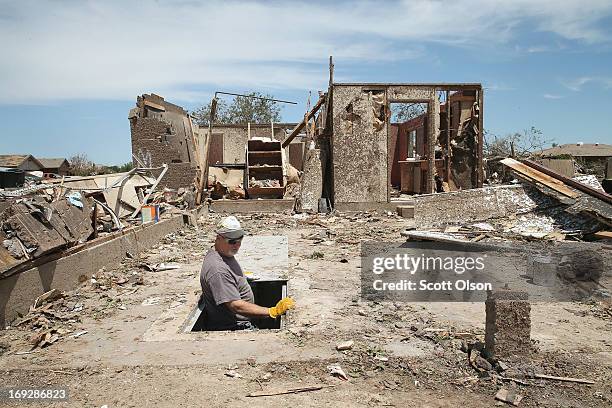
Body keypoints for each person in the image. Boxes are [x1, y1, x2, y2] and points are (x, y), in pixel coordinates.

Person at [199, 215, 295, 330]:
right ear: (219, 238)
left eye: (240, 240)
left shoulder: (222, 252)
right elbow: (236, 306)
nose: (237, 245)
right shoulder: (218, 270)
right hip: (235, 327)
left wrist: (239, 278)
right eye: (232, 241)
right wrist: (272, 311)